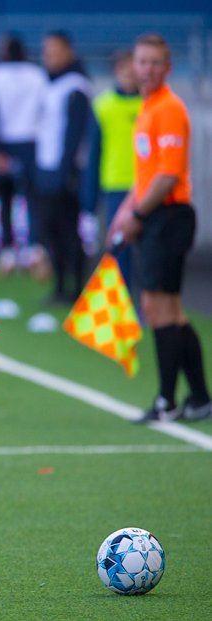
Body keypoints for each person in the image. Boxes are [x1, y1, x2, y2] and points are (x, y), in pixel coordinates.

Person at [108, 34, 210, 422]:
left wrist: (135, 217)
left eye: (155, 63)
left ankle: (168, 400)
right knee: (168, 309)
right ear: (132, 65)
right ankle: (199, 396)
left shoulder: (167, 109)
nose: (147, 69)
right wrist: (124, 212)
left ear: (167, 69)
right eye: (141, 61)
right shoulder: (148, 108)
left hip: (169, 216)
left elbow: (167, 177)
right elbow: (146, 176)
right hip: (157, 216)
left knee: (159, 307)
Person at [0, 32, 48, 278]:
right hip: (32, 141)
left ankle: (8, 250)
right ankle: (35, 248)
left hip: (4, 142)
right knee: (32, 198)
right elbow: (46, 111)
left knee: (5, 199)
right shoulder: (38, 75)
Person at [33, 30, 92, 305]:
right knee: (53, 231)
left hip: (66, 172)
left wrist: (64, 171)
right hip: (47, 168)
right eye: (46, 51)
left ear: (69, 51)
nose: (49, 56)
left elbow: (75, 134)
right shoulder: (51, 85)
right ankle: (59, 287)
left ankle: (78, 288)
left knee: (70, 231)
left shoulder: (76, 86)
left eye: (55, 50)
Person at [86, 49, 141, 297]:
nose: (129, 75)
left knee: (148, 252)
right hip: (115, 186)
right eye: (124, 71)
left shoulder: (150, 104)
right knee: (119, 249)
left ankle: (144, 305)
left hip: (148, 187)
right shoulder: (103, 106)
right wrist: (89, 193)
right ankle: (122, 305)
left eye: (133, 71)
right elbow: (94, 151)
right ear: (116, 72)